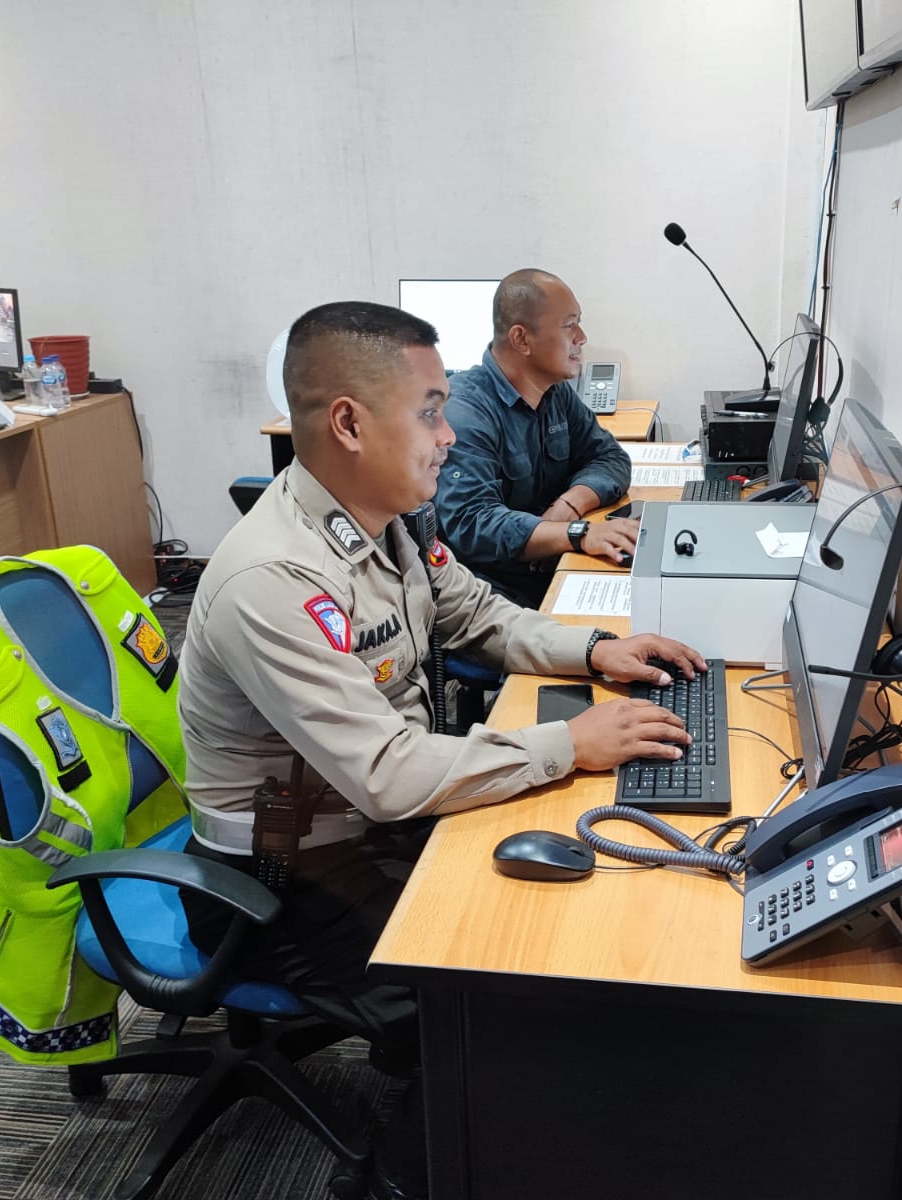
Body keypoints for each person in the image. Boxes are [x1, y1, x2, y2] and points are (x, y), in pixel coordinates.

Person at [176, 301, 706, 1200]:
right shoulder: (275, 579)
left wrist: (595, 650)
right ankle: (396, 1179)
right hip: (279, 879)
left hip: (362, 827)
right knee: (497, 989)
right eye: (429, 412)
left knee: (557, 915)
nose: (449, 436)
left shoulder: (390, 521)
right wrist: (568, 742)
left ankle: (421, 1052)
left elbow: (479, 614)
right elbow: (387, 776)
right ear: (349, 424)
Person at [434, 268, 638, 607]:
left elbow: (609, 457)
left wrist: (569, 505)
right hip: (493, 594)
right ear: (521, 339)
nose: (582, 337)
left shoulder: (555, 393)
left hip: (551, 567)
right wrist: (577, 533)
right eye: (569, 325)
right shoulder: (466, 412)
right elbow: (473, 523)